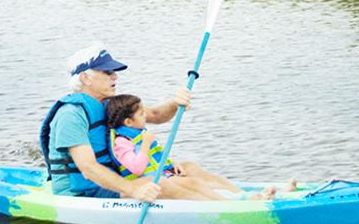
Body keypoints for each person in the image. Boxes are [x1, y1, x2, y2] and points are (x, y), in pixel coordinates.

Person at [38, 45, 191, 202]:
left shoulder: (110, 104)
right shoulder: (71, 114)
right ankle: (209, 215)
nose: (115, 77)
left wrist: (175, 104)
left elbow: (155, 115)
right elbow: (89, 169)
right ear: (85, 78)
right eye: (108, 72)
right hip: (81, 193)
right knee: (164, 184)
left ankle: (215, 204)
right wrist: (134, 190)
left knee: (189, 170)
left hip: (111, 180)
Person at [105, 94, 283, 200]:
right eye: (142, 114)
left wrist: (170, 163)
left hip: (164, 173)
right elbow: (137, 168)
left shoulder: (138, 131)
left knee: (190, 167)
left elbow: (154, 157)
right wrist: (144, 144)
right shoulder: (121, 142)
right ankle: (229, 205)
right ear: (128, 122)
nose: (146, 117)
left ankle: (241, 194)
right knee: (192, 182)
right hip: (149, 182)